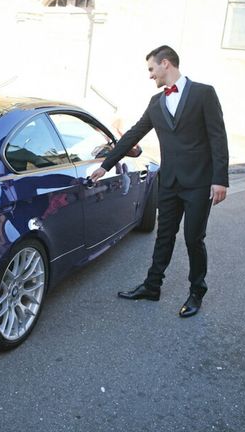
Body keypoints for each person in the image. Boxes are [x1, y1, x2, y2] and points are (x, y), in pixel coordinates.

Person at [89, 45, 229, 318]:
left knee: (193, 239)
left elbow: (217, 137)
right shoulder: (156, 102)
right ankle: (152, 286)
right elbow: (133, 135)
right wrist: (105, 165)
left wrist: (220, 180)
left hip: (199, 183)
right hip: (169, 182)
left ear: (166, 64)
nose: (150, 75)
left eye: (152, 69)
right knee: (164, 236)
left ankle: (196, 292)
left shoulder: (204, 93)